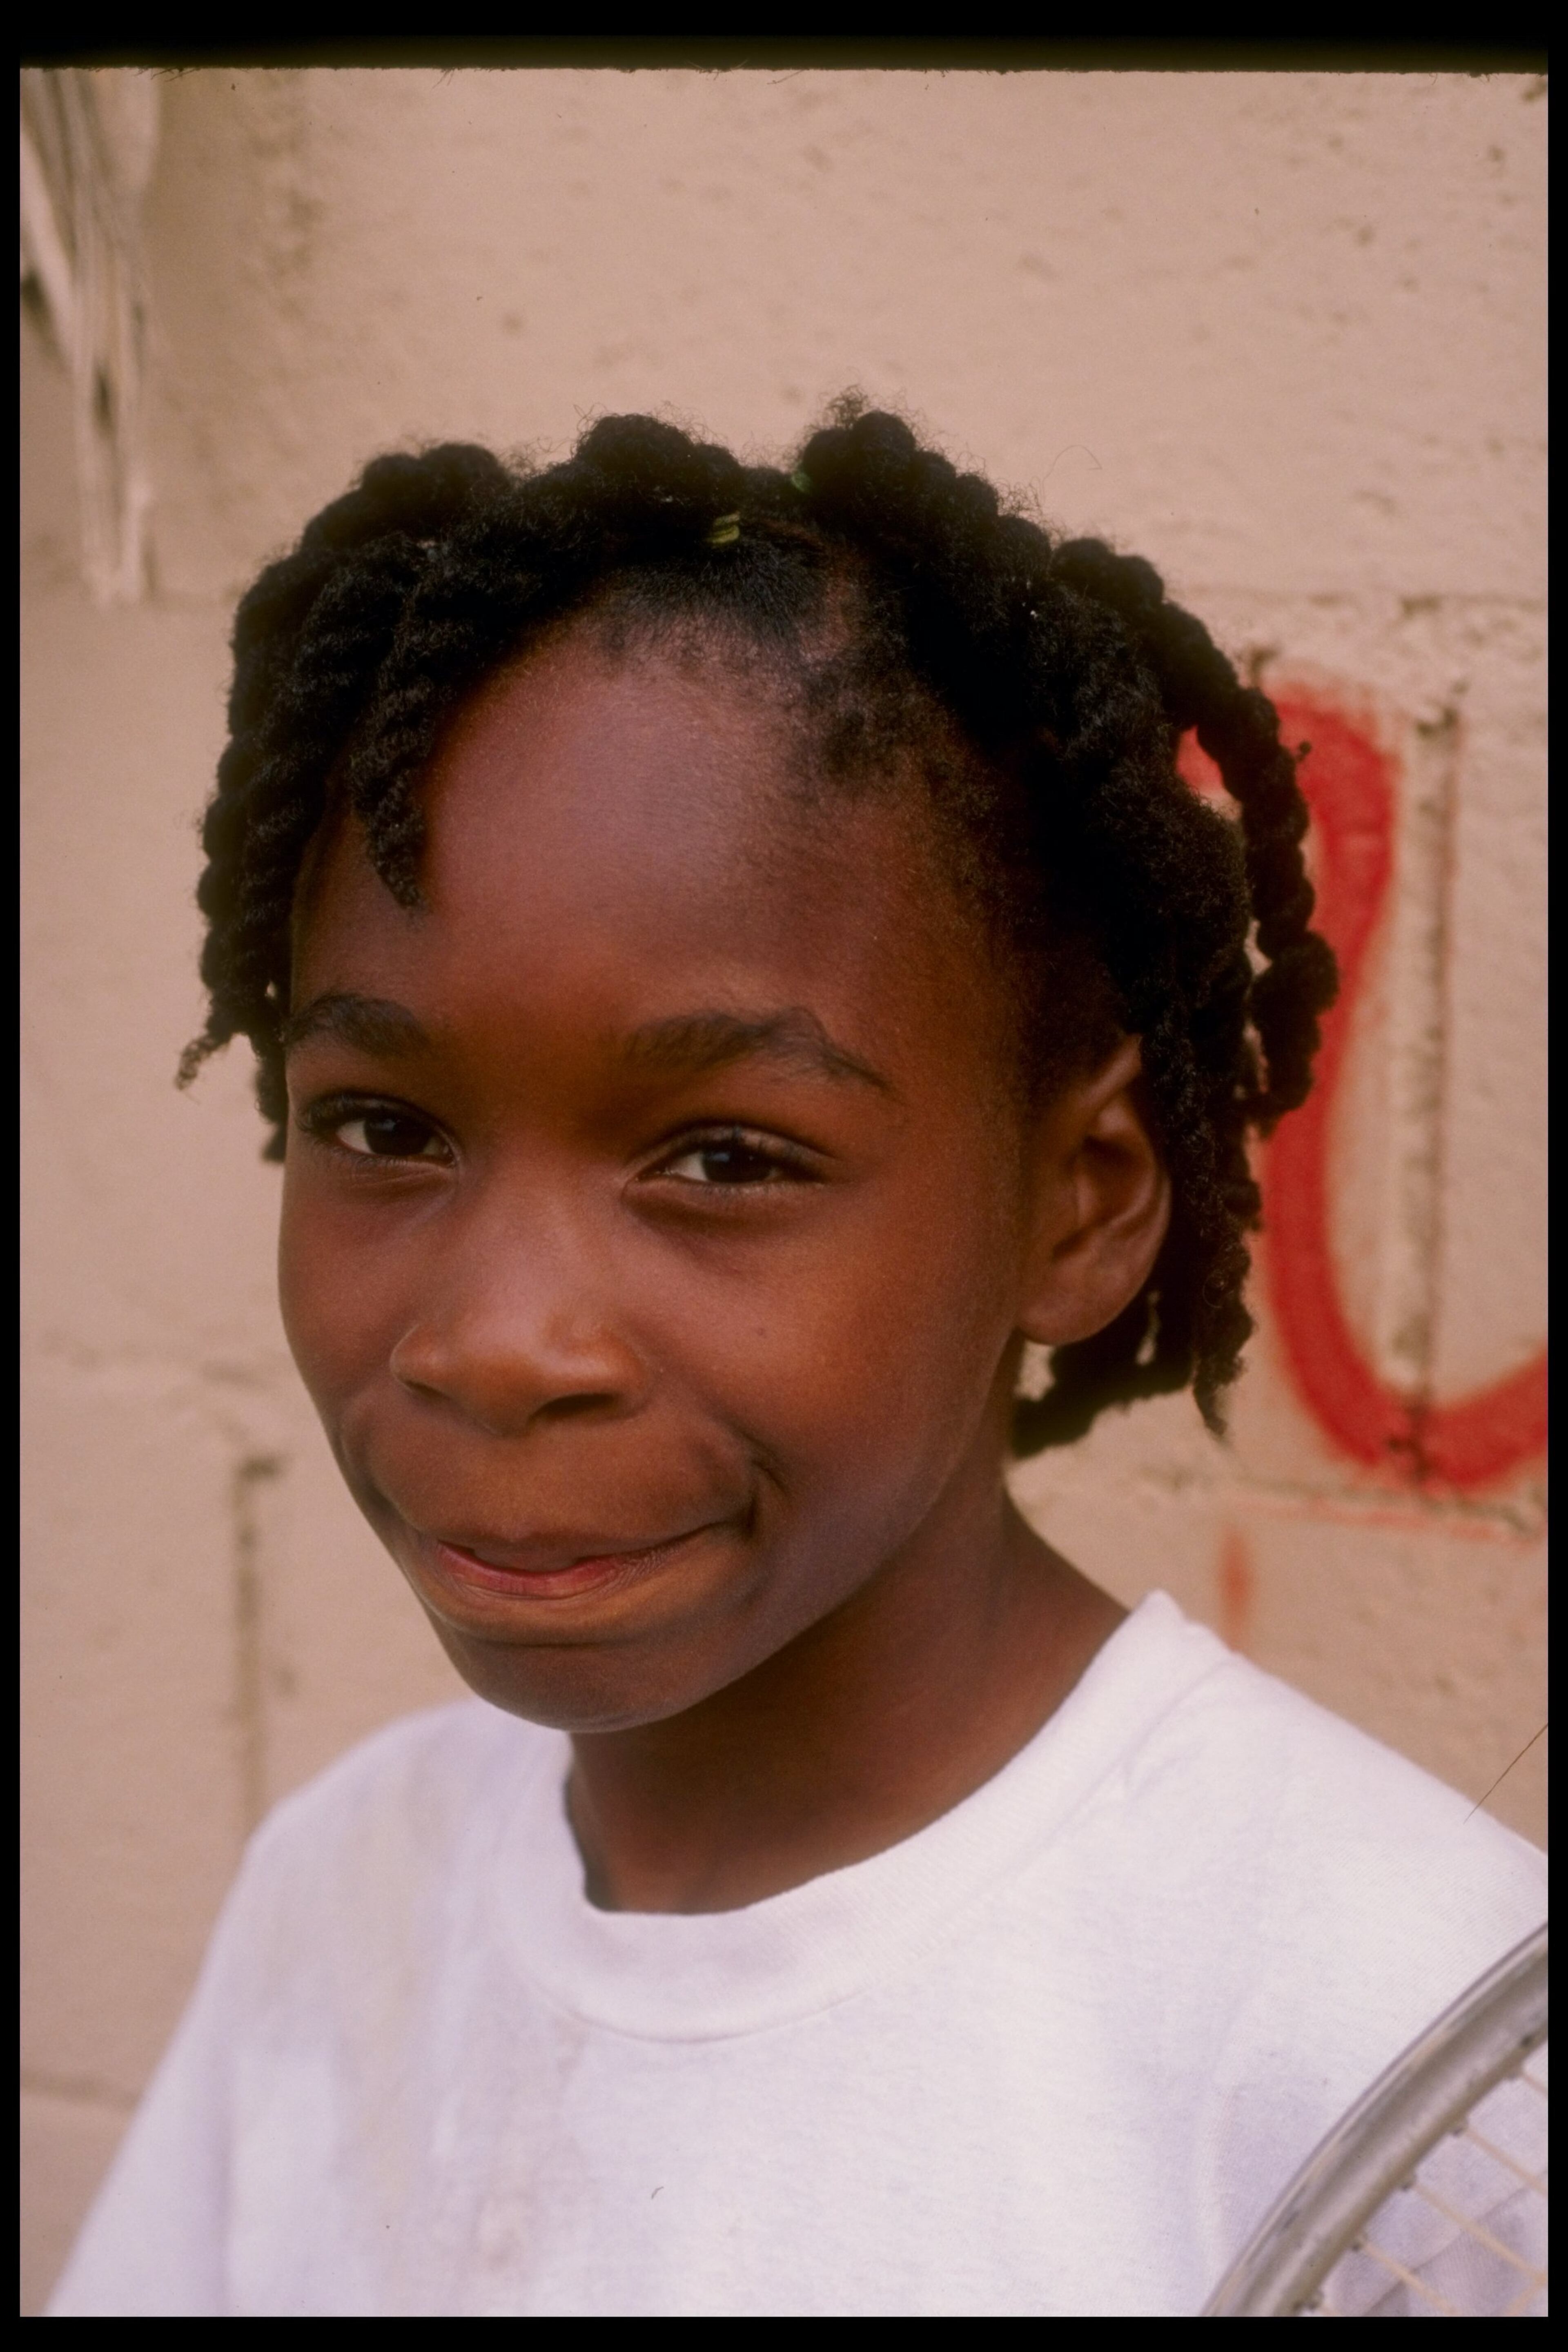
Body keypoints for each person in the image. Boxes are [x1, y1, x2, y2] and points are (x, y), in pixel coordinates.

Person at [49, 407, 1545, 2316]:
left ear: (1080, 1207)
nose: (498, 1343)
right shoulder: (346, 1894)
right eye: (385, 1129)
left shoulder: (1404, 2060)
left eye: (726, 1161)